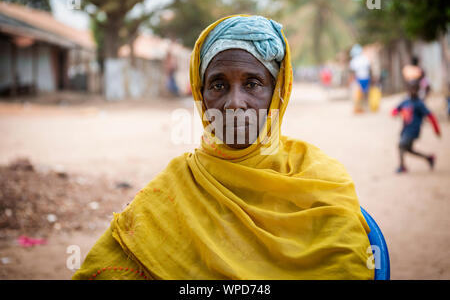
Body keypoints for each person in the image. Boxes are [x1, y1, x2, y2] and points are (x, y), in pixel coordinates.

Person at [72, 15, 374, 280]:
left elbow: (346, 265)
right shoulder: (173, 189)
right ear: (201, 95)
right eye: (218, 85)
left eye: (253, 83)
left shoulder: (320, 180)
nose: (234, 103)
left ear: (277, 92)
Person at [392, 81, 441, 173]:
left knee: (401, 145)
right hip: (405, 129)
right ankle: (429, 158)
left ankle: (402, 166)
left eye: (415, 89)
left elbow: (431, 116)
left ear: (418, 90)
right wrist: (397, 113)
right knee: (408, 149)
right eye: (411, 89)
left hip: (413, 130)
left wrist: (436, 130)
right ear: (408, 90)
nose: (412, 91)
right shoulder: (405, 101)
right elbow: (395, 110)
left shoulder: (419, 104)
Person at [349, 44, 371, 113]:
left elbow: (352, 72)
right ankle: (366, 106)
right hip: (366, 78)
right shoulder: (365, 58)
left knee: (358, 94)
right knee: (365, 93)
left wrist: (351, 80)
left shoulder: (354, 61)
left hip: (358, 79)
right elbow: (370, 69)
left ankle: (360, 108)